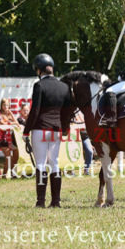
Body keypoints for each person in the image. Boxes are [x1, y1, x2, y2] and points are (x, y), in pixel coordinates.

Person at [22, 53, 72, 208]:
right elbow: (67, 112)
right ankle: (56, 201)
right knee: (54, 163)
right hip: (56, 129)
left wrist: (26, 131)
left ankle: (41, 201)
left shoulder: (39, 86)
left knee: (41, 164)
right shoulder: (64, 86)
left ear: (39, 70)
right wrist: (65, 129)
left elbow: (35, 110)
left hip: (41, 129)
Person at [0, 98, 21, 179]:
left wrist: (11, 113)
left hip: (4, 138)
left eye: (7, 105)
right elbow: (3, 123)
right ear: (1, 105)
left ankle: (4, 175)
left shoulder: (8, 113)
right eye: (4, 105)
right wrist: (13, 123)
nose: (5, 107)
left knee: (8, 157)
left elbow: (17, 123)